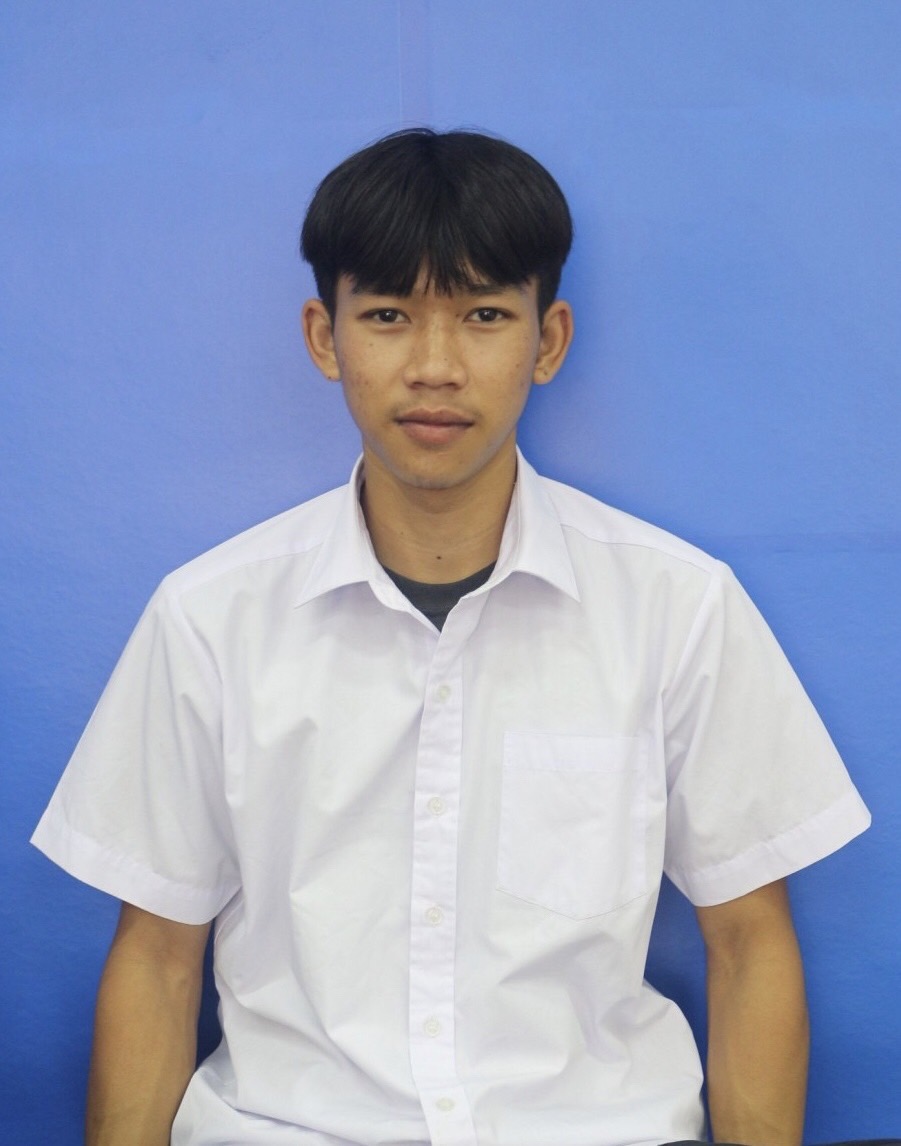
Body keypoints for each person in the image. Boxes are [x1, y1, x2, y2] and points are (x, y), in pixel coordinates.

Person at [33, 128, 871, 1146]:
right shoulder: (209, 617)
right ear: (324, 337)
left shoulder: (676, 606)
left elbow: (747, 946)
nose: (434, 368)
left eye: (482, 316)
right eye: (387, 315)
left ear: (547, 340)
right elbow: (159, 961)